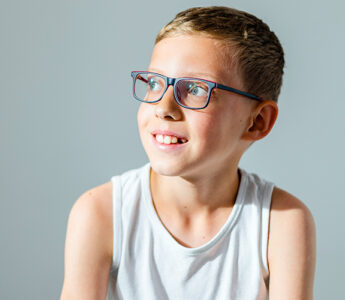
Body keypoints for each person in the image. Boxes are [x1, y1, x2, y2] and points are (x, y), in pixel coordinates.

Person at [60, 6, 316, 300]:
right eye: (154, 83)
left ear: (256, 122)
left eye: (195, 88)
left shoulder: (281, 222)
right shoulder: (100, 213)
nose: (164, 108)